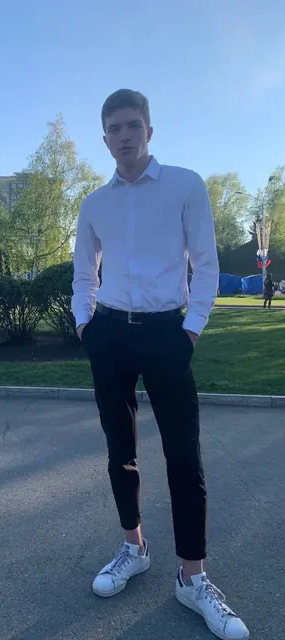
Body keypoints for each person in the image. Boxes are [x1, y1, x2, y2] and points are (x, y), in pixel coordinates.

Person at [72, 89, 249, 640]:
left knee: (183, 456)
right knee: (119, 451)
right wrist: (85, 325)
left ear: (149, 129)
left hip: (167, 333)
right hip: (111, 334)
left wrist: (191, 329)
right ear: (104, 138)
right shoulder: (94, 204)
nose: (124, 135)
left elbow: (207, 264)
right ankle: (134, 547)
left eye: (132, 125)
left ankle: (192, 578)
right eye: (114, 128)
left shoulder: (185, 186)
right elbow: (84, 274)